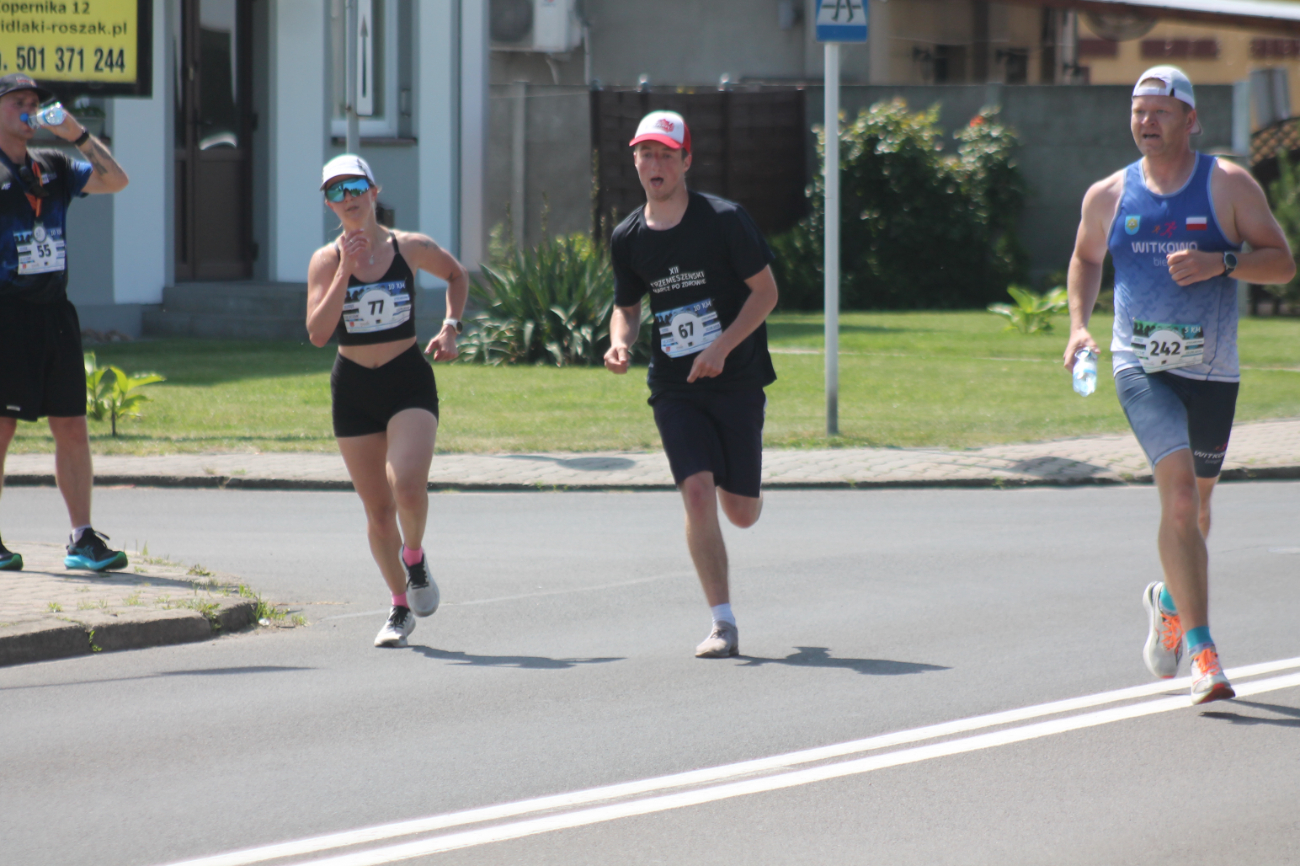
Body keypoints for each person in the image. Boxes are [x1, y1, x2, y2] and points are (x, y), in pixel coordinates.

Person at [1064, 67, 1295, 704]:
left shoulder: (1228, 185)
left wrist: (1221, 261)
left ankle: (1168, 599)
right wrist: (1079, 326)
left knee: (1199, 507)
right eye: (1138, 111)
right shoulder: (1109, 195)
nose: (1147, 122)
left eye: (1160, 112)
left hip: (1213, 372)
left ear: (1191, 120)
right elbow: (1086, 258)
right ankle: (1205, 656)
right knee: (1182, 501)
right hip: (1140, 367)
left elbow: (1281, 263)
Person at [604, 111, 779, 659]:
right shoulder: (628, 237)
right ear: (635, 162)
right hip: (675, 385)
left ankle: (744, 485)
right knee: (697, 492)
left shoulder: (725, 220)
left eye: (665, 154)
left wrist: (721, 347)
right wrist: (620, 341)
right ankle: (722, 623)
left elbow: (766, 293)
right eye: (645, 154)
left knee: (741, 513)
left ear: (686, 161)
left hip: (737, 378)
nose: (654, 164)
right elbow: (627, 306)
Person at [306, 154, 469, 648]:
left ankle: (414, 559)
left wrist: (451, 327)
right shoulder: (325, 260)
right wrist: (345, 271)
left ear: (374, 191)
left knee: (408, 487)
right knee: (378, 512)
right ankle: (400, 607)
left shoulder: (409, 247)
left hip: (406, 380)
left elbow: (456, 276)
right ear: (329, 204)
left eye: (355, 187)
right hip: (353, 389)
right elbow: (318, 333)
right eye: (336, 192)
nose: (348, 198)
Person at [0, 74, 131, 573]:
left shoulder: (52, 165)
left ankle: (82, 539)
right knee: (2, 427)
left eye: (34, 102)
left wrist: (76, 134)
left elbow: (115, 180)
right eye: (18, 101)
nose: (29, 109)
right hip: (7, 314)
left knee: (73, 426)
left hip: (55, 312)